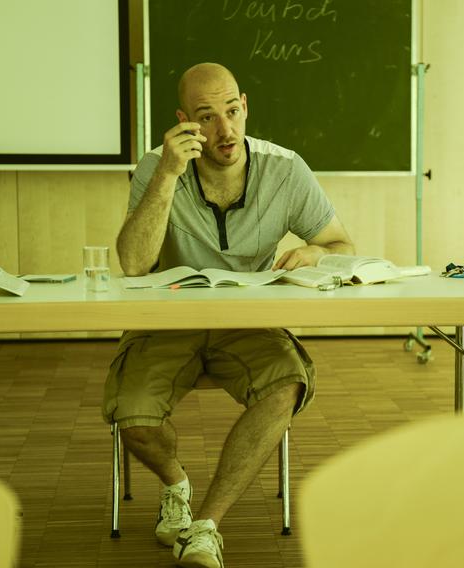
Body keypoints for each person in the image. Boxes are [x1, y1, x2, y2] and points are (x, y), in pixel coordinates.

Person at [103, 62, 354, 568]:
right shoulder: (158, 167)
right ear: (183, 121)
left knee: (287, 385)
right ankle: (176, 483)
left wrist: (316, 253)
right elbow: (133, 262)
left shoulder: (285, 168)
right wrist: (169, 176)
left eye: (233, 111)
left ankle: (205, 526)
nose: (225, 130)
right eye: (207, 117)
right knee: (131, 412)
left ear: (246, 107)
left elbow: (341, 244)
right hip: (167, 318)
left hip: (250, 319)